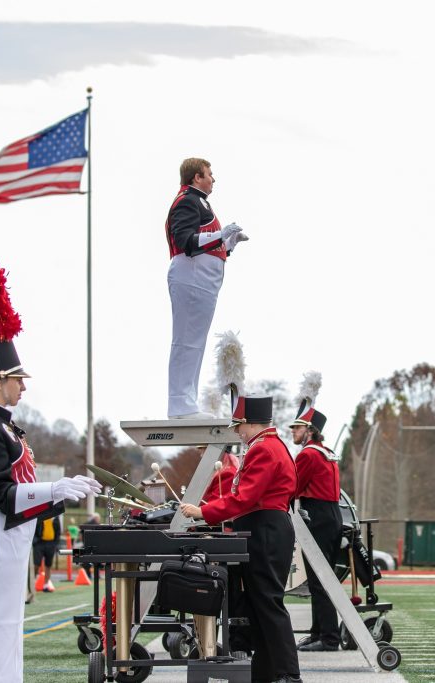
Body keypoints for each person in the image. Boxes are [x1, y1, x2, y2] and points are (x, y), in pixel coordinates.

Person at [0, 257, 102, 683]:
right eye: (18, 379)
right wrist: (54, 488)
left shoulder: (1, 425)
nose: (24, 386)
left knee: (8, 633)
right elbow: (3, 496)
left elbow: (16, 495)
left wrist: (55, 496)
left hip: (8, 538)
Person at [180, 394, 302, 683]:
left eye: (240, 425)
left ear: (250, 423)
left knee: (268, 603)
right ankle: (267, 672)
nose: (237, 431)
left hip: (265, 528)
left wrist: (203, 511)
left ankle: (288, 674)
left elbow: (245, 497)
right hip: (264, 527)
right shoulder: (269, 446)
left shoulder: (264, 449)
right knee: (259, 604)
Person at [165, 158, 247, 418]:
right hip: (191, 277)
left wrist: (228, 244)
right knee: (186, 341)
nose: (213, 179)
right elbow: (185, 242)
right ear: (196, 177)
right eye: (209, 174)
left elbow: (206, 245)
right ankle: (180, 403)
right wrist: (220, 236)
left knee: (195, 343)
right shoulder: (187, 200)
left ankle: (186, 401)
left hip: (201, 280)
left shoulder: (199, 202)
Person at [290, 404, 342, 653]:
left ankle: (329, 638)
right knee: (319, 580)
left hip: (319, 517)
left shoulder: (308, 455)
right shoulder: (325, 451)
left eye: (297, 427)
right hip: (331, 515)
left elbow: (293, 487)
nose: (292, 431)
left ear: (309, 430)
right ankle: (318, 632)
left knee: (319, 581)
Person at [33, 513, 61, 592]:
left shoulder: (55, 517)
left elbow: (58, 531)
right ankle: (33, 583)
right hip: (40, 543)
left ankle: (46, 585)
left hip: (51, 543)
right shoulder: (40, 515)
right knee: (36, 564)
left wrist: (55, 543)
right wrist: (35, 541)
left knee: (48, 565)